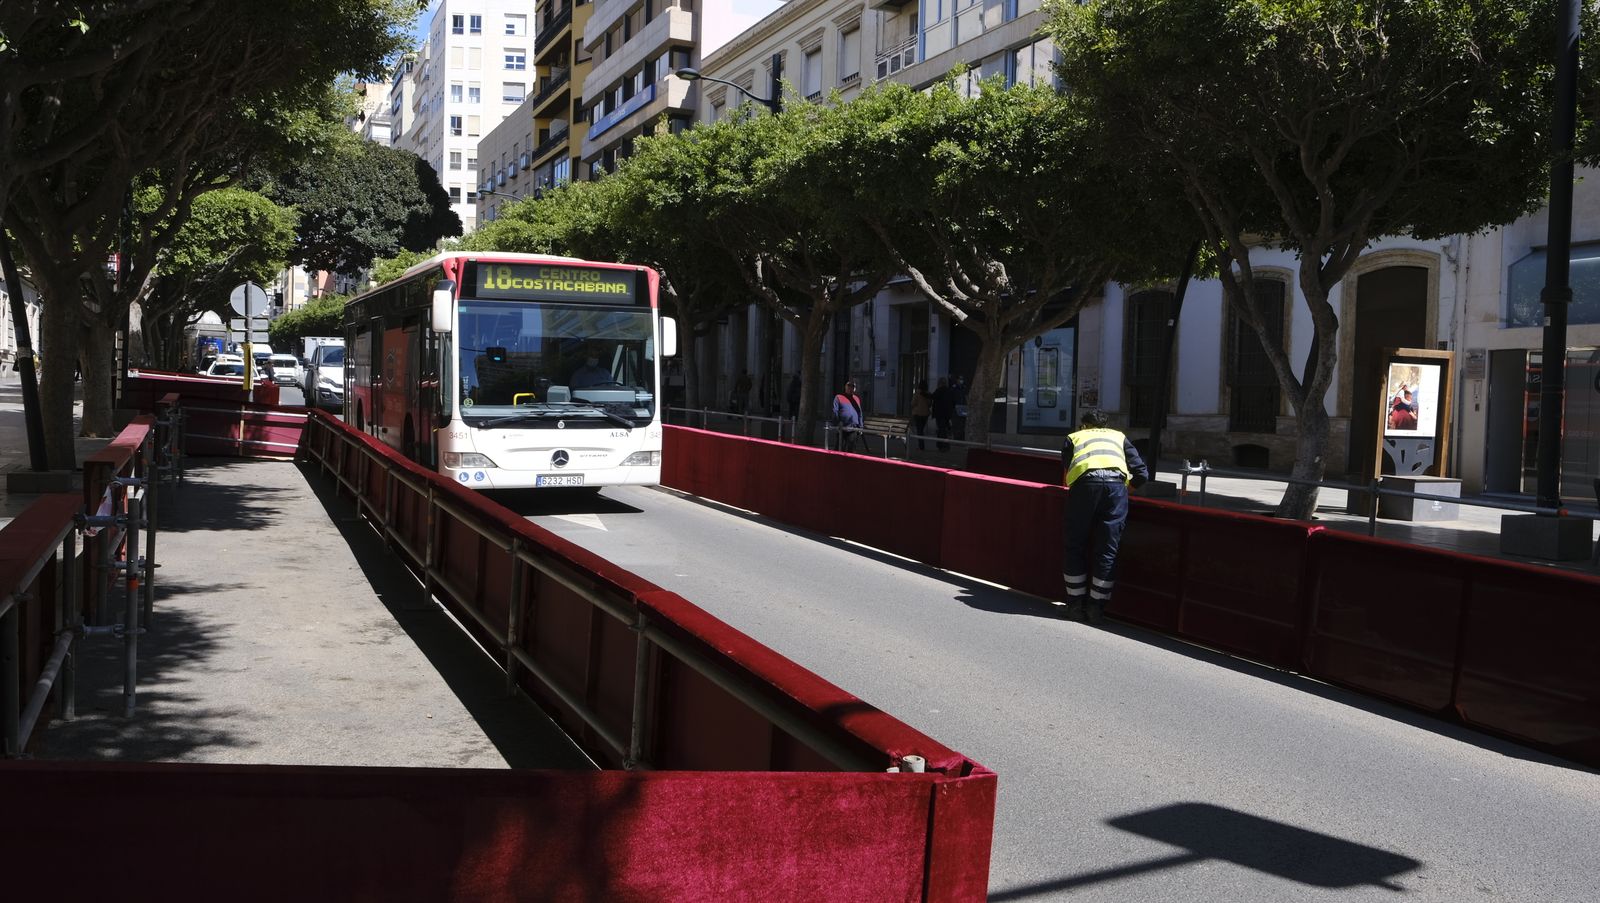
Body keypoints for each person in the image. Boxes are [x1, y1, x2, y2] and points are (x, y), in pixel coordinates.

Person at [1060, 409, 1149, 625]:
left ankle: (1075, 606)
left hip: (1084, 488)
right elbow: (1142, 474)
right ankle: (1096, 608)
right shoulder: (1119, 437)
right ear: (1106, 425)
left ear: (1084, 425)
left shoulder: (1074, 438)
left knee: (1075, 545)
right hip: (1115, 489)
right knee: (1107, 550)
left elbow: (1066, 477)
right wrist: (1124, 491)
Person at [832, 379, 868, 452]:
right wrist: (837, 423)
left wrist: (860, 426)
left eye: (852, 386)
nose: (850, 388)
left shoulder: (856, 399)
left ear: (854, 388)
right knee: (839, 447)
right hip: (842, 426)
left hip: (853, 428)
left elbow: (859, 413)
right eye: (848, 385)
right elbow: (835, 411)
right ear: (845, 387)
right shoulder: (838, 397)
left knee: (851, 448)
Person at [931, 377, 956, 451]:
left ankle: (942, 445)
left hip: (940, 414)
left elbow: (933, 397)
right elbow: (953, 402)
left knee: (941, 429)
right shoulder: (950, 391)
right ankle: (942, 445)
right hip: (947, 414)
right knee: (944, 429)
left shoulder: (939, 390)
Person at [910, 380, 932, 450]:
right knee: (921, 429)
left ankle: (921, 446)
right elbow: (929, 404)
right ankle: (921, 446)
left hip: (917, 413)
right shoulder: (928, 394)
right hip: (925, 414)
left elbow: (913, 403)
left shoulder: (917, 393)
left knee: (919, 430)